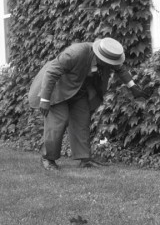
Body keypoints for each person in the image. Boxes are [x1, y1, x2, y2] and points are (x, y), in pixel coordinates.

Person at [28, 37, 149, 170]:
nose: (111, 64)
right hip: (57, 89)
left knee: (82, 121)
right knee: (58, 121)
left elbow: (120, 69)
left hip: (79, 90)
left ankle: (85, 159)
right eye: (109, 62)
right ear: (101, 57)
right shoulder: (75, 52)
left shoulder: (109, 55)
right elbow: (51, 72)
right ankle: (48, 159)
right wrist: (45, 100)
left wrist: (133, 88)